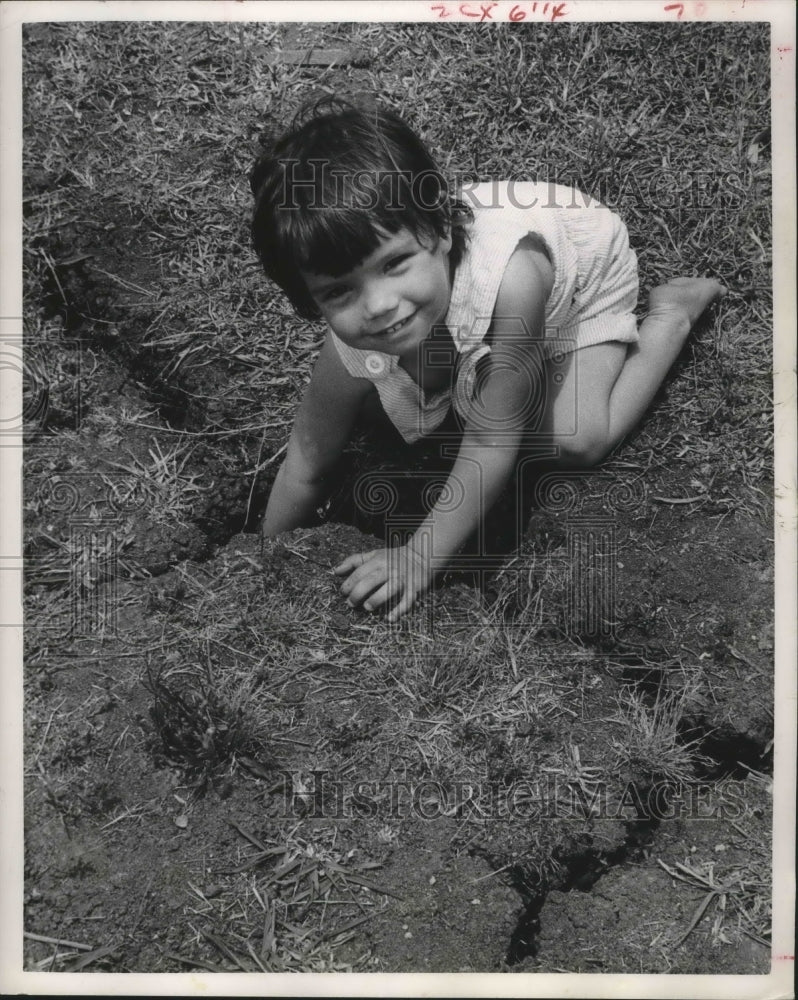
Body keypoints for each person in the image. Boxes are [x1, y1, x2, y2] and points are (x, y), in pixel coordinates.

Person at [250, 97, 725, 621]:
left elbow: (491, 440)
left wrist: (417, 557)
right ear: (312, 301)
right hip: (468, 299)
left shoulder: (512, 283)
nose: (379, 305)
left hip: (578, 273)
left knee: (576, 438)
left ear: (440, 232)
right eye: (339, 292)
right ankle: (465, 360)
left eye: (395, 264)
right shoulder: (367, 321)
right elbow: (309, 457)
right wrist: (260, 562)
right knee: (373, 403)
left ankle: (672, 314)